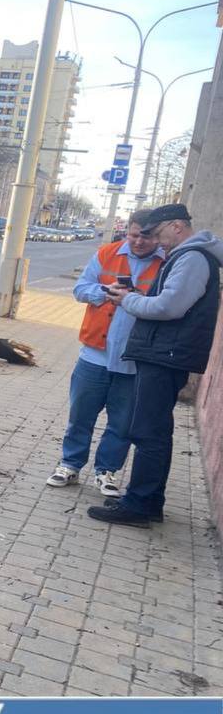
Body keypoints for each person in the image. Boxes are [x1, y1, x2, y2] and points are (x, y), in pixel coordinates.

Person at [89, 203, 222, 526]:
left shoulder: (192, 258)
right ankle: (148, 502)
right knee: (155, 430)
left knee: (148, 432)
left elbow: (169, 307)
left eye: (158, 233)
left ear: (177, 226)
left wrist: (128, 300)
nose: (157, 242)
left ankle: (138, 505)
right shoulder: (188, 255)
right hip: (166, 352)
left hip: (166, 354)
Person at [48, 209, 163, 496]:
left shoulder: (166, 263)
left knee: (122, 422)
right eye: (134, 235)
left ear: (158, 236)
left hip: (134, 359)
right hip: (94, 355)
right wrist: (104, 291)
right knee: (81, 414)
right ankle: (70, 464)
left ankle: (106, 471)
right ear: (128, 231)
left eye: (147, 237)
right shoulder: (107, 253)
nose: (139, 242)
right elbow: (80, 289)